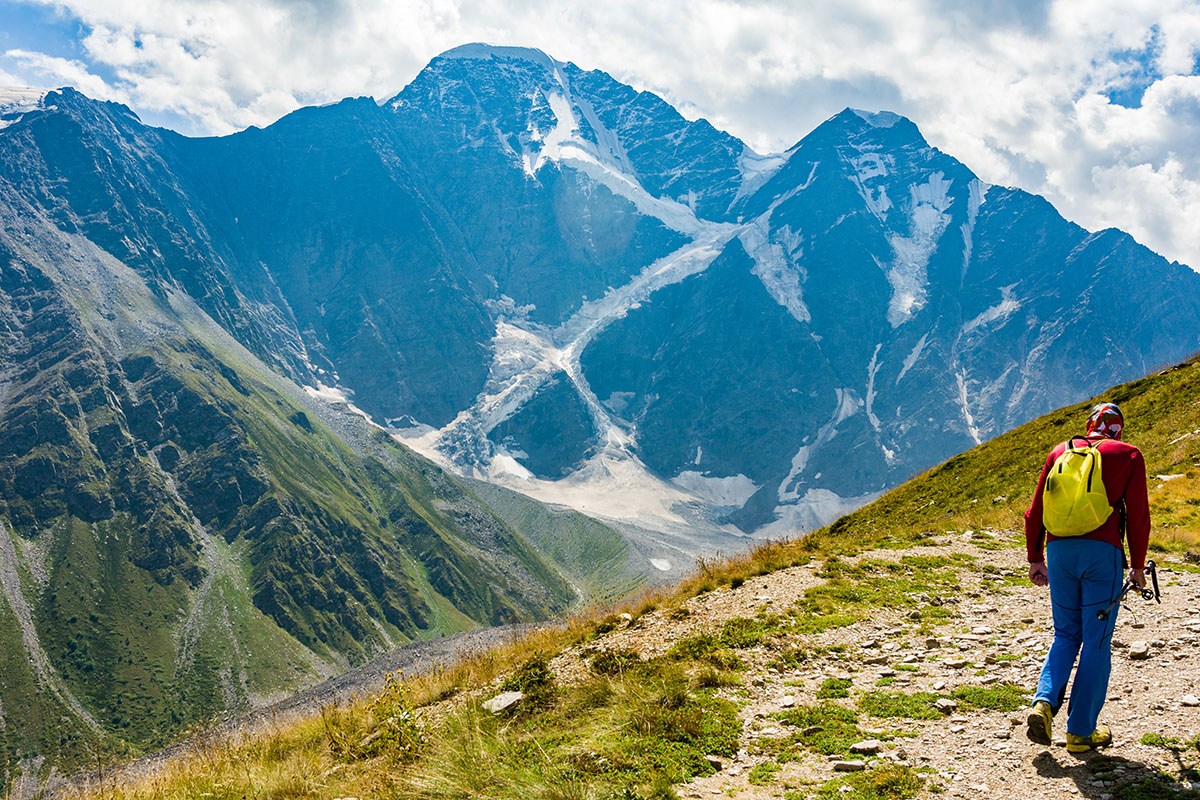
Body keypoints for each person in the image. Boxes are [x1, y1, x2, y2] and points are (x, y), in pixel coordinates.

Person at [1023, 402, 1150, 752]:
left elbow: (1035, 511)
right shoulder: (1128, 455)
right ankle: (1080, 732)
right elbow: (1138, 517)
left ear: (1091, 424)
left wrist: (1035, 559)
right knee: (1095, 641)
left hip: (1059, 553)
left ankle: (1044, 702)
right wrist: (1137, 567)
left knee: (1065, 633)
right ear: (1118, 429)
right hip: (1102, 554)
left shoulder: (1060, 452)